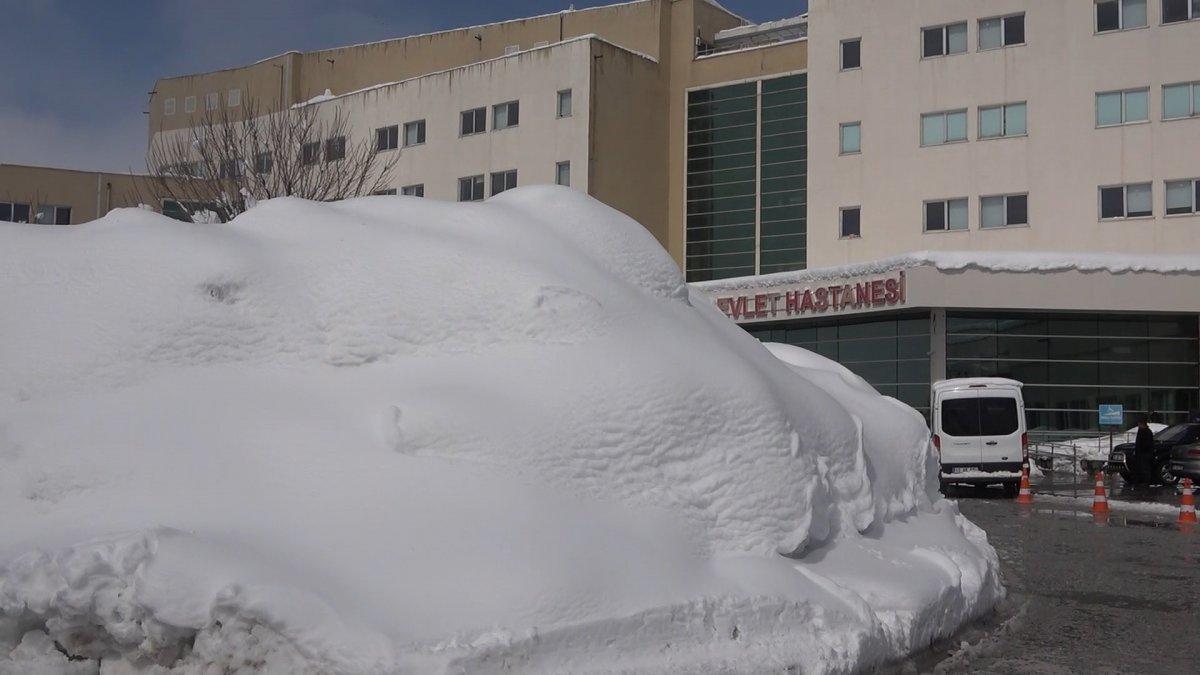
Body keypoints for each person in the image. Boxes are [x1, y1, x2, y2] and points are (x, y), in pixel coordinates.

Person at [1133, 417, 1156, 485]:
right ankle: (1141, 481)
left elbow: (1147, 443)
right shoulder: (1141, 431)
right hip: (1141, 453)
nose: (1138, 425)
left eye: (1139, 424)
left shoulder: (1147, 432)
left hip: (1145, 453)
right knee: (1140, 467)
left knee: (1145, 468)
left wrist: (1143, 450)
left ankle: (1146, 481)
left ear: (1143, 424)